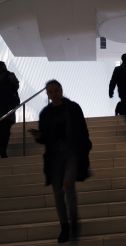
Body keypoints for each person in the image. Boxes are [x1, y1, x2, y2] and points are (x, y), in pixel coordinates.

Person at [29, 80, 92, 243]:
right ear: (48, 95)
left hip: (72, 153)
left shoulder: (73, 108)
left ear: (61, 90)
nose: (54, 94)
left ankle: (74, 222)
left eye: (56, 90)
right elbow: (45, 138)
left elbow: (83, 131)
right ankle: (64, 226)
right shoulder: (45, 113)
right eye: (51, 92)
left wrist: (85, 150)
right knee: (58, 193)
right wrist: (39, 137)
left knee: (68, 185)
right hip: (54, 157)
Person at [0, 61, 20, 158]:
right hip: (7, 109)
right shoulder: (10, 75)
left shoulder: (9, 75)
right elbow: (16, 86)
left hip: (6, 108)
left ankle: (3, 149)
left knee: (5, 130)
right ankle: (3, 149)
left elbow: (15, 86)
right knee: (5, 130)